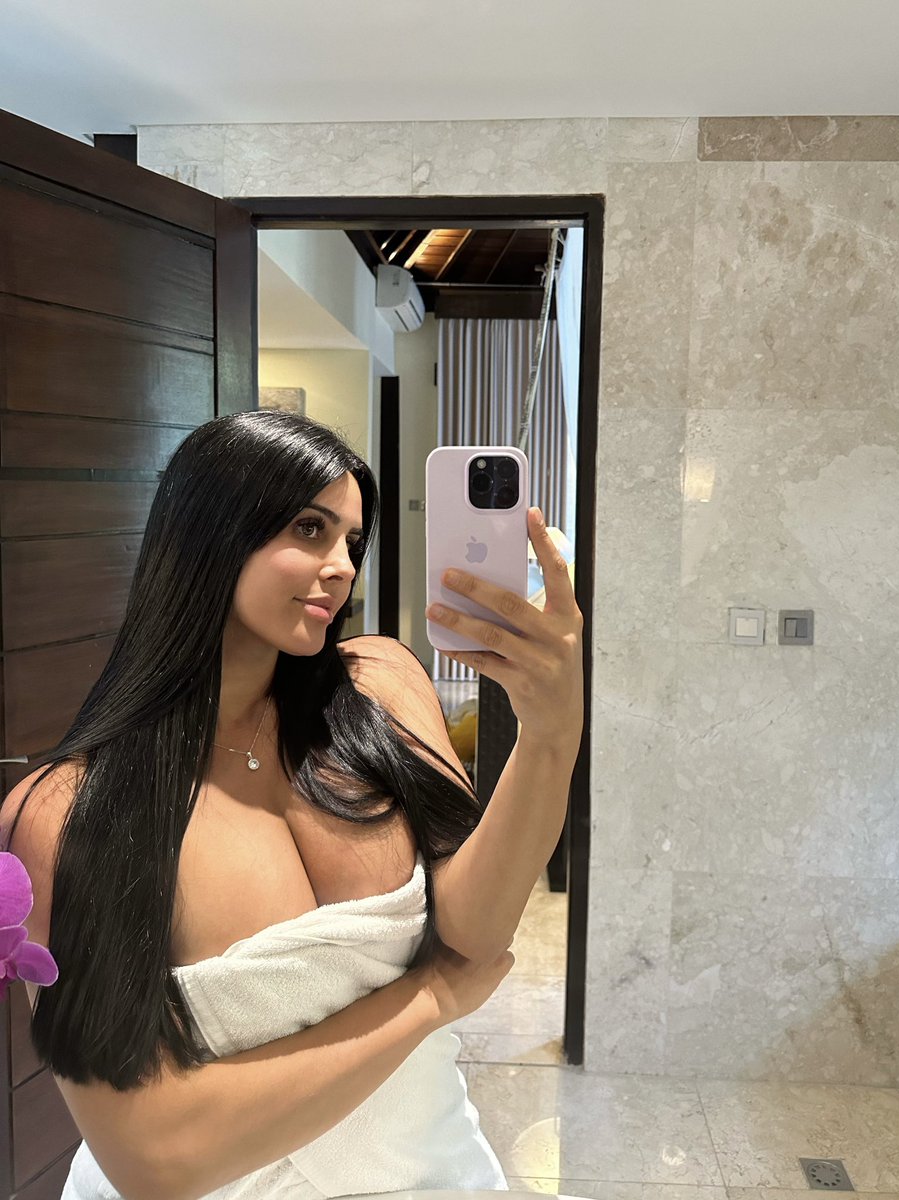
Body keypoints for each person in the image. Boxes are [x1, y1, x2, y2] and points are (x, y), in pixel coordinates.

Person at [2, 410, 584, 1200]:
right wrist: (428, 999)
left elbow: (474, 934)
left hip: (436, 1170)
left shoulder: (381, 688)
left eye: (351, 541)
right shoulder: (68, 812)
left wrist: (549, 734)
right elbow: (153, 1160)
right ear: (208, 531)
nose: (341, 567)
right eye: (309, 529)